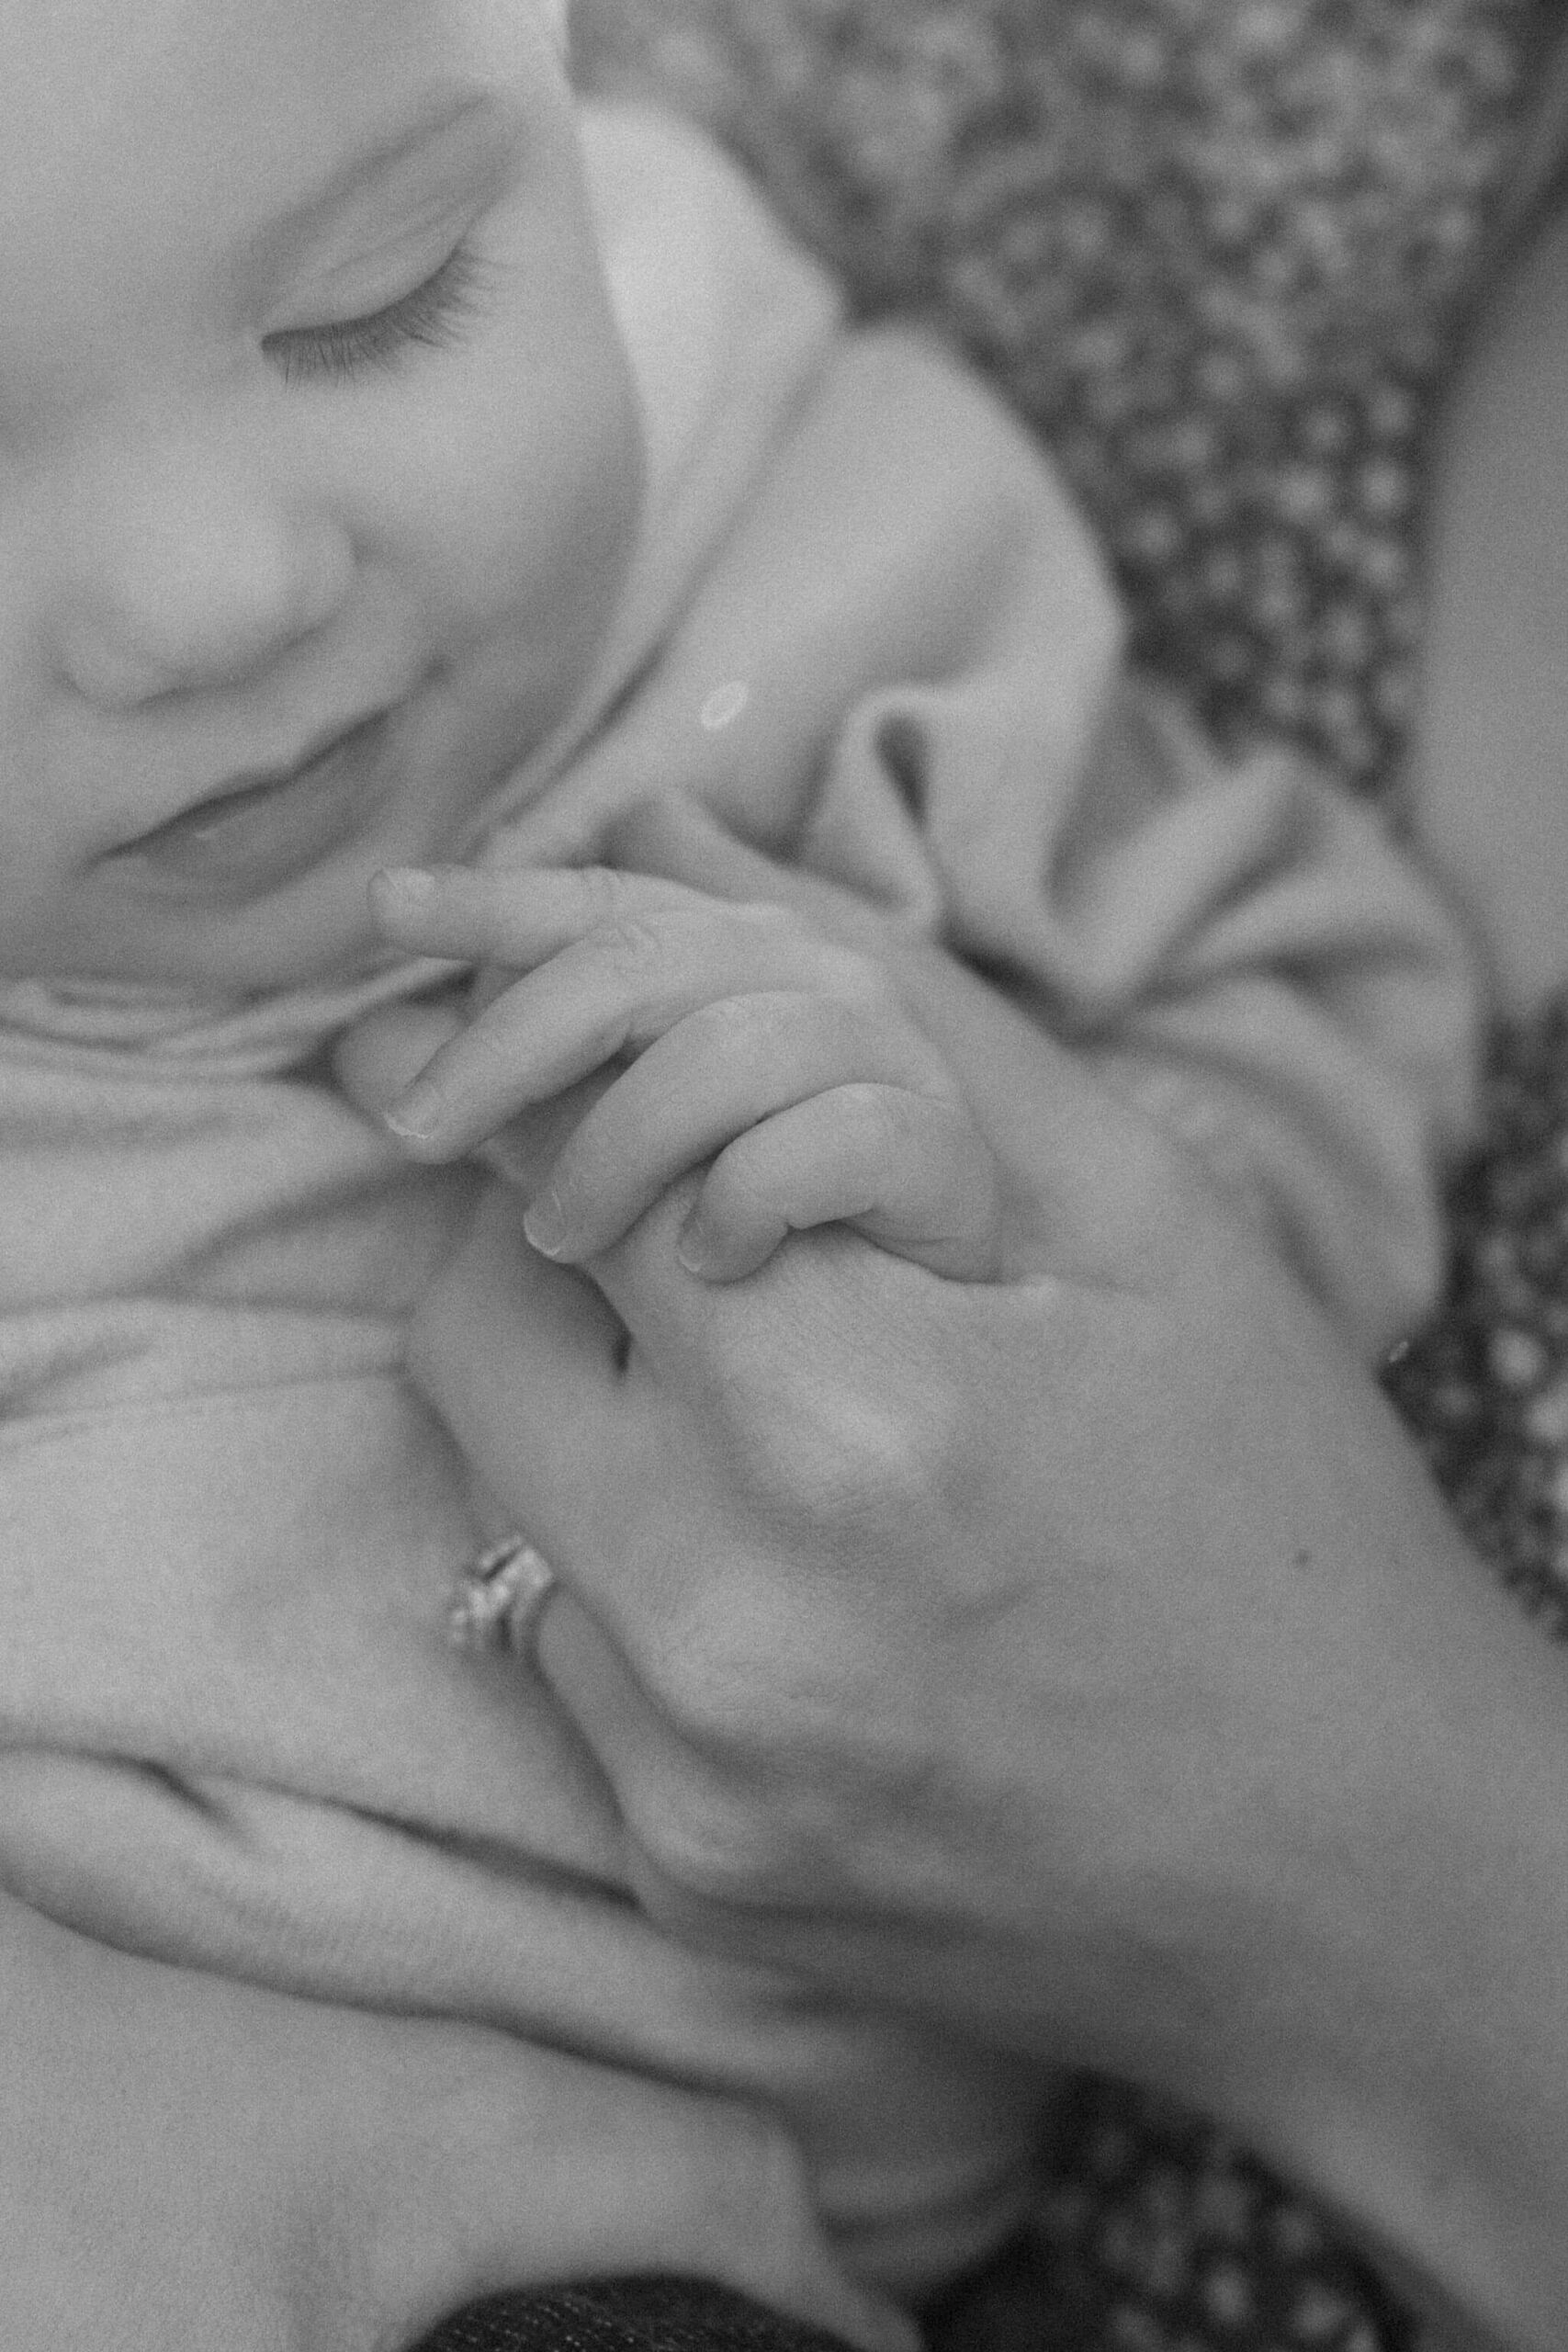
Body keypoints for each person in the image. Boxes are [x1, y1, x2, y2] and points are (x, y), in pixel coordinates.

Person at [0, 1, 1489, 2349]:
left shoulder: (803, 563)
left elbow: (1304, 967)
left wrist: (1001, 1228)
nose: (215, 595)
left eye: (379, 299)